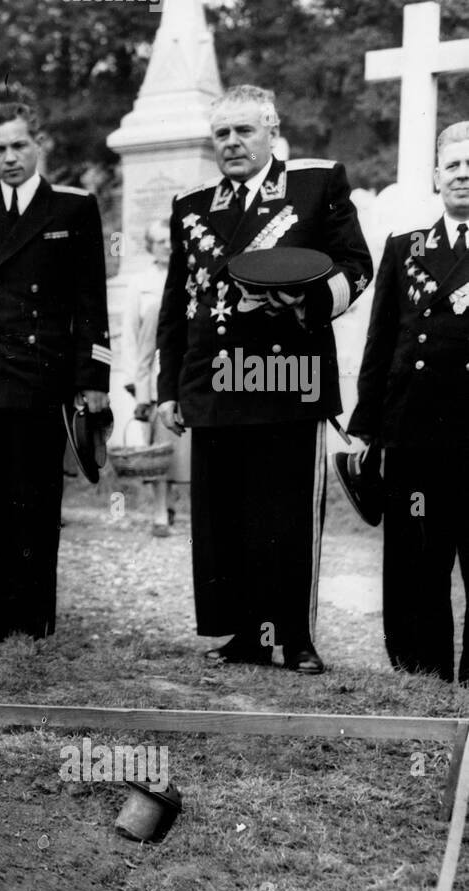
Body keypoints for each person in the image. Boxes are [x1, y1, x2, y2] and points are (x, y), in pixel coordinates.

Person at [157, 85, 371, 674]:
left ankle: (295, 636)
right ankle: (247, 635)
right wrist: (169, 387)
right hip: (216, 379)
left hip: (286, 375)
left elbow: (358, 265)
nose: (232, 143)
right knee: (225, 514)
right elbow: (178, 301)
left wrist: (307, 304)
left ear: (271, 132)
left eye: (244, 131)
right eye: (222, 134)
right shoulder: (193, 205)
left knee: (284, 515)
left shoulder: (315, 183)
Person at [0, 101, 111, 644]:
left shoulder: (74, 209)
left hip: (40, 375)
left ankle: (31, 616)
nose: (9, 158)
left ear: (40, 145)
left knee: (34, 501)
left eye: (18, 146)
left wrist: (93, 379)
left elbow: (90, 301)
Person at [349, 121, 469, 683]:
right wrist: (367, 428)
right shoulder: (405, 248)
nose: (464, 175)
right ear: (436, 176)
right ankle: (421, 672)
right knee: (416, 557)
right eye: (454, 165)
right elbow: (380, 344)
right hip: (414, 431)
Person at [120, 218, 190, 537]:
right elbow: (135, 338)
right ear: (150, 246)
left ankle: (182, 502)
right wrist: (140, 388)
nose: (166, 246)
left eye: (170, 240)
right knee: (160, 445)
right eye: (159, 241)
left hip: (190, 372)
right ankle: (161, 509)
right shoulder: (142, 283)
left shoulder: (191, 275)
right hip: (157, 374)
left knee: (186, 446)